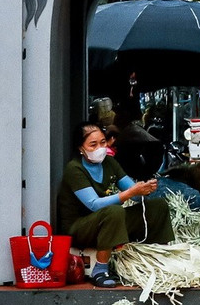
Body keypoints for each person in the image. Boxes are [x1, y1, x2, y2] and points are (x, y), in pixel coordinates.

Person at [56, 122, 175, 287]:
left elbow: (131, 190)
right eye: (93, 144)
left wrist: (144, 190)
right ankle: (100, 269)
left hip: (104, 222)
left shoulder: (109, 163)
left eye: (103, 142)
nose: (100, 148)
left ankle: (159, 258)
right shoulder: (74, 169)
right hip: (79, 228)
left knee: (157, 206)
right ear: (80, 148)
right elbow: (94, 204)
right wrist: (130, 193)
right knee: (113, 211)